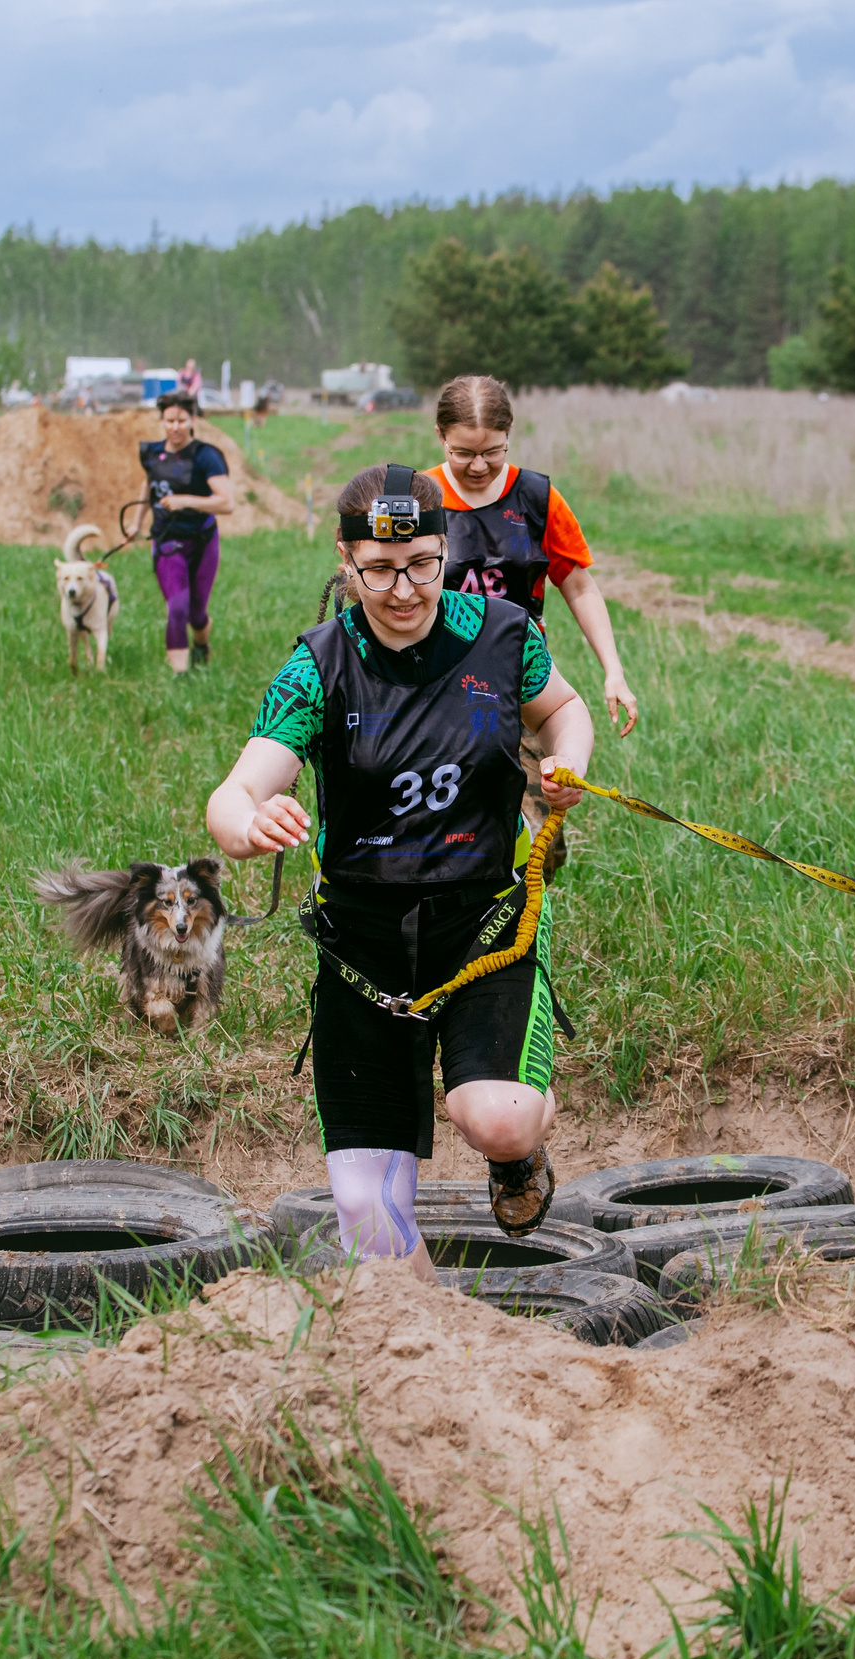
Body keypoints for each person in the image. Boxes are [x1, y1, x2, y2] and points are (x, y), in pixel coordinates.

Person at [205, 464, 595, 1275]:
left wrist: (568, 763)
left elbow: (563, 707)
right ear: (346, 562)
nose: (404, 589)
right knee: (368, 1224)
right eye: (378, 570)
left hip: (488, 920)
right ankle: (436, 1358)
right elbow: (236, 789)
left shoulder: (503, 633)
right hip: (364, 945)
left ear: (445, 550)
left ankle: (518, 1156)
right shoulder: (317, 666)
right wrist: (249, 823)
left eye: (421, 563)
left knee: (497, 1117)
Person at [429, 375, 638, 736]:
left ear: (509, 436)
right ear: (441, 437)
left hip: (519, 675)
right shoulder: (421, 498)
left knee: (532, 786)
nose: (478, 466)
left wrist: (613, 670)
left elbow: (579, 587)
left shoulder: (537, 498)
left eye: (493, 452)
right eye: (463, 453)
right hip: (435, 677)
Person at [134, 391, 235, 672]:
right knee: (177, 608)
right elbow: (149, 488)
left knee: (196, 613)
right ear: (162, 421)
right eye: (169, 420)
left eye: (181, 420)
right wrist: (135, 523)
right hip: (167, 541)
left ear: (192, 420)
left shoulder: (207, 456)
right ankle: (181, 677)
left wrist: (186, 500)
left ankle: (202, 646)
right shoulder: (153, 454)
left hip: (203, 541)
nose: (175, 426)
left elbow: (227, 502)